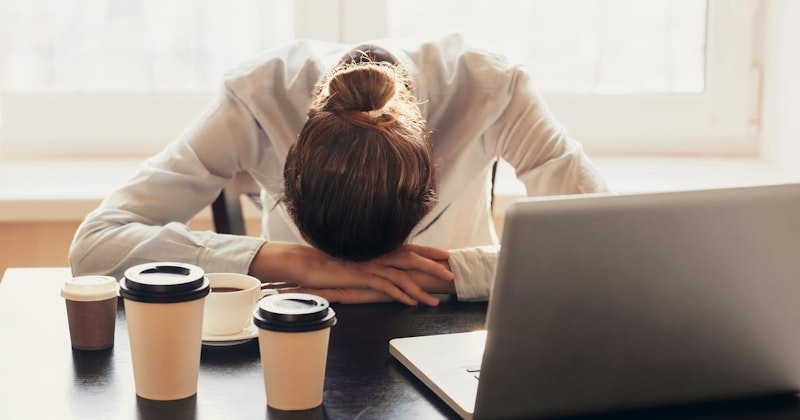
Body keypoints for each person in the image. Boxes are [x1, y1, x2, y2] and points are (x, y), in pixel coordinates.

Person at [69, 33, 609, 306]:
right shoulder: (259, 95)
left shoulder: (494, 88)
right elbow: (96, 245)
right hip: (298, 315)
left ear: (429, 177)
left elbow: (610, 244)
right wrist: (292, 262)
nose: (367, 273)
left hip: (453, 325)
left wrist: (449, 272)